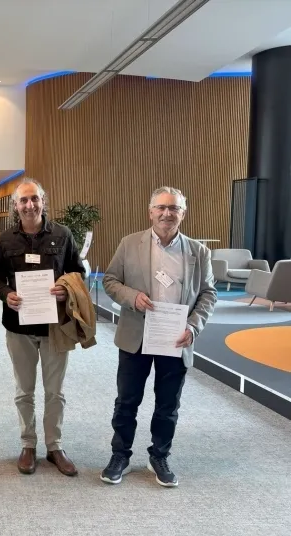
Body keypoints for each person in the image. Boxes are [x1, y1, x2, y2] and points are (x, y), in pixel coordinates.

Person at [101, 186, 216, 487]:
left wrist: (193, 326)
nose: (167, 213)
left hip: (176, 338)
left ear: (183, 213)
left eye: (174, 208)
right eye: (161, 207)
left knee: (168, 405)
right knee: (127, 401)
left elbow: (208, 294)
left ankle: (160, 456)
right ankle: (120, 455)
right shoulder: (129, 244)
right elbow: (110, 281)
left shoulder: (198, 252)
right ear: (150, 211)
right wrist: (132, 297)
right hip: (136, 336)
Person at [0, 178, 85, 476]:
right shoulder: (6, 240)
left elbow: (78, 272)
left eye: (34, 199)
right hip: (18, 327)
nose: (29, 205)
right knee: (24, 390)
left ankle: (55, 446)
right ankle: (28, 444)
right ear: (15, 206)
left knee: (55, 391)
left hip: (55, 327)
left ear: (43, 200)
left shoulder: (63, 235)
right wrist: (7, 294)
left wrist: (66, 289)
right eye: (23, 200)